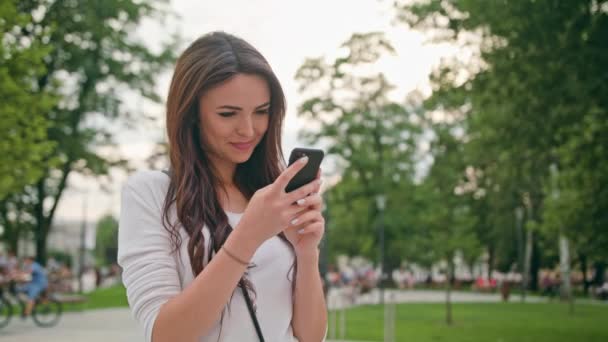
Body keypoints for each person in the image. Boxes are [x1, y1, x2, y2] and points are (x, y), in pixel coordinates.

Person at [117, 31, 327, 342]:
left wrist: (307, 252)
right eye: (228, 114)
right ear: (192, 115)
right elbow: (164, 334)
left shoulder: (273, 196)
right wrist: (248, 235)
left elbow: (310, 336)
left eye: (261, 112)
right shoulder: (150, 193)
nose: (248, 130)